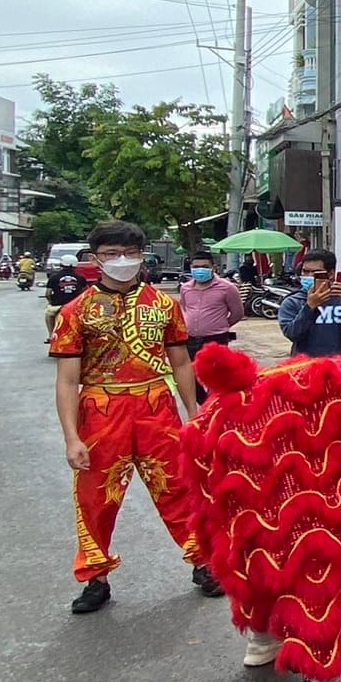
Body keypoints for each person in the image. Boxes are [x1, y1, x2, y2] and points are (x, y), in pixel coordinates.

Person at [50, 220, 221, 613]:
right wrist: (71, 437)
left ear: (143, 257)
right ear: (95, 259)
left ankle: (203, 562)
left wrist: (194, 411)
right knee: (96, 497)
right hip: (100, 410)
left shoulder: (164, 305)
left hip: (156, 407)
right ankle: (95, 577)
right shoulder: (76, 312)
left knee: (180, 487)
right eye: (111, 255)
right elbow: (67, 379)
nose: (122, 261)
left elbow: (180, 363)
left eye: (130, 254)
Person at [177, 247, 244, 403]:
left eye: (205, 267)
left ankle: (218, 406)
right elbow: (185, 308)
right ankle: (206, 403)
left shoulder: (227, 288)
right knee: (189, 375)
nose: (200, 270)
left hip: (216, 339)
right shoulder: (185, 288)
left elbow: (237, 313)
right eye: (195, 267)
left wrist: (221, 326)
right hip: (190, 338)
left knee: (216, 377)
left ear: (213, 268)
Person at [277, 248, 341, 359]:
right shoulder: (293, 301)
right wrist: (309, 308)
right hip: (304, 369)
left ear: (330, 274)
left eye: (315, 272)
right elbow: (293, 334)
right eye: (305, 271)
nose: (308, 276)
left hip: (338, 368)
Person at [43, 248, 95, 340]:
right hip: (75, 306)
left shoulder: (54, 277)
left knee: (49, 315)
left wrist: (51, 302)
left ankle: (51, 335)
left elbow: (48, 293)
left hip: (57, 305)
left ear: (62, 264)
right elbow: (85, 292)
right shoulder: (80, 277)